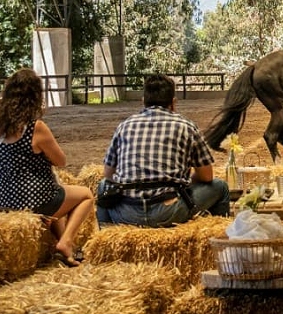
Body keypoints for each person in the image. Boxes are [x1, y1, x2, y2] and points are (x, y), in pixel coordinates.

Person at [0, 68, 94, 267]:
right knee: (85, 195)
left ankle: (65, 251)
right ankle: (67, 241)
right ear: (35, 96)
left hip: (0, 198)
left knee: (58, 197)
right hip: (30, 199)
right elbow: (60, 160)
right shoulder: (35, 127)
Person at [97, 74, 229, 228]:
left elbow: (108, 174)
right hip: (168, 212)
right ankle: (219, 241)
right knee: (220, 187)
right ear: (173, 103)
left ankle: (105, 234)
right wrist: (183, 182)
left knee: (102, 185)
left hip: (126, 214)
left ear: (143, 102)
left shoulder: (125, 126)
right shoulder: (186, 126)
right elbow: (207, 176)